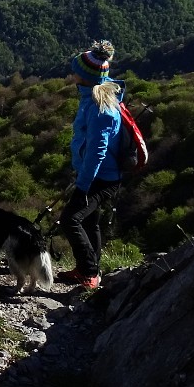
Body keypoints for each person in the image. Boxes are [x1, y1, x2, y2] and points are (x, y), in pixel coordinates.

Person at [56, 40, 123, 288]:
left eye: (76, 70)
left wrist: (82, 186)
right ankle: (91, 271)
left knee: (70, 219)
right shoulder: (93, 98)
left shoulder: (100, 108)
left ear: (84, 76)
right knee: (88, 221)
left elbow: (97, 151)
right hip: (97, 175)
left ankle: (89, 273)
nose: (72, 74)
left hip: (101, 179)